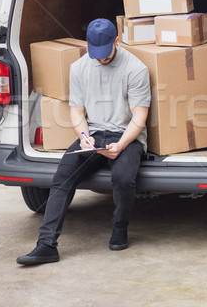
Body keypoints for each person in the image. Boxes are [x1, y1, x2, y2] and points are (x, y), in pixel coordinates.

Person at [17, 18, 151, 265]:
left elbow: (139, 117)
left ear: (116, 41)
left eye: (105, 53)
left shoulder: (136, 69)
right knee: (61, 179)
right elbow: (77, 112)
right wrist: (84, 138)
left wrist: (120, 145)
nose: (100, 58)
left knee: (123, 178)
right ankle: (46, 245)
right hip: (94, 134)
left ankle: (119, 229)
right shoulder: (79, 67)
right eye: (95, 53)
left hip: (126, 137)